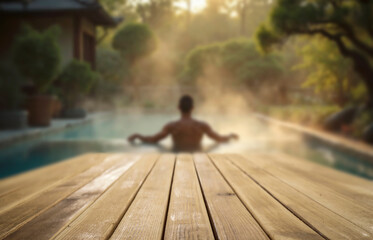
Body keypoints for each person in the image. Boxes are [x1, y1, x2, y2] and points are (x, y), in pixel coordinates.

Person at [128, 95, 239, 152]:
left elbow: (153, 140)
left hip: (176, 155)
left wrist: (138, 135)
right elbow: (219, 139)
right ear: (193, 108)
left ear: (178, 108)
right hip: (198, 154)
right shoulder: (201, 126)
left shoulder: (172, 126)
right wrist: (231, 136)